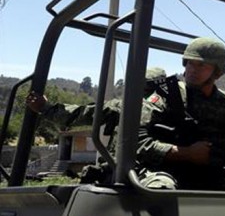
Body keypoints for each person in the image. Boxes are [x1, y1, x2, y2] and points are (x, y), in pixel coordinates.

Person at [136, 38, 225, 193]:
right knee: (162, 189)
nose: (192, 69)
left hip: (213, 178)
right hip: (166, 173)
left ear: (217, 71)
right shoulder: (166, 96)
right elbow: (135, 141)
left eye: (201, 65)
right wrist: (186, 153)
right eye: (189, 63)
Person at [25, 67, 167, 183]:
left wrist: (45, 108)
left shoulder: (128, 105)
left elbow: (82, 115)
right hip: (161, 173)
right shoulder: (173, 108)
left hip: (129, 175)